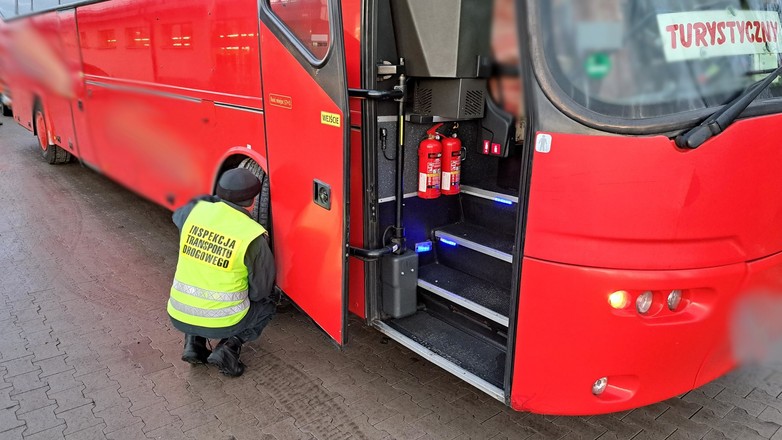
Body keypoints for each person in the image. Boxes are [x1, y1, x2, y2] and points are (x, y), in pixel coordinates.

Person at [167, 168, 276, 377]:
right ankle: (229, 348)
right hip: (224, 323)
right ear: (252, 200)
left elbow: (177, 215)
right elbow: (259, 291)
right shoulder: (251, 235)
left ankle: (193, 343)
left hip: (179, 314)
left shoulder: (194, 212)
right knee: (269, 302)